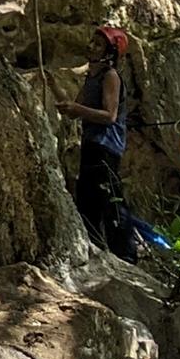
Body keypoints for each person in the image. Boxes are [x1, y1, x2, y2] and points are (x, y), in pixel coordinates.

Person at [61, 21, 147, 257]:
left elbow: (109, 115)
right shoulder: (92, 77)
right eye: (93, 41)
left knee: (110, 201)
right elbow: (77, 106)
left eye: (98, 44)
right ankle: (93, 248)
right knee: (87, 198)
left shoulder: (110, 76)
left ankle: (126, 254)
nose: (91, 46)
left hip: (106, 146)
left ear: (109, 53)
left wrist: (76, 109)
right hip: (92, 143)